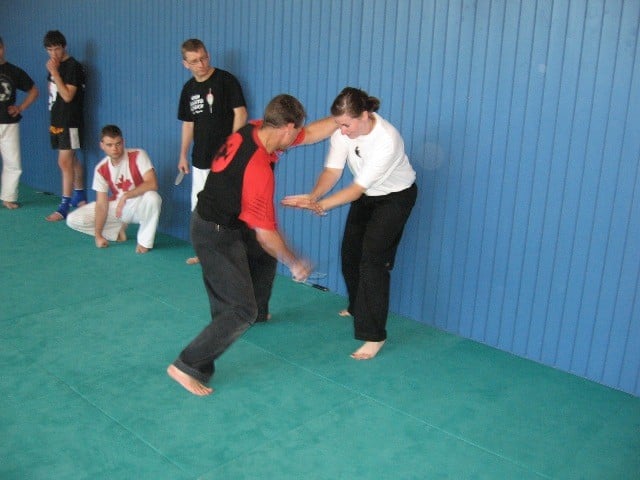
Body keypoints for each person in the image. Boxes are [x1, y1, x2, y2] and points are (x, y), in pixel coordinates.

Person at [167, 94, 336, 396]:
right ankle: (187, 365)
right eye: (297, 130)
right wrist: (295, 262)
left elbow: (311, 133)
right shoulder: (257, 169)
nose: (299, 135)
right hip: (214, 233)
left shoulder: (258, 128)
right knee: (239, 309)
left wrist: (341, 120)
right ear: (287, 128)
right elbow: (267, 234)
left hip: (228, 219)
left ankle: (258, 312)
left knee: (262, 258)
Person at [282, 87, 418, 360]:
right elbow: (332, 171)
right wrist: (314, 195)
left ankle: (374, 335)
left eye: (346, 124)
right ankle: (358, 306)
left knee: (372, 262)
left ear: (365, 115)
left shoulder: (386, 140)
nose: (342, 131)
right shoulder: (343, 132)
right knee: (350, 255)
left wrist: (320, 205)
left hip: (395, 198)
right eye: (339, 124)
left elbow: (355, 190)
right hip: (368, 195)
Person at [177, 38, 247, 265]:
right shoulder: (189, 89)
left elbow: (240, 114)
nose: (201, 64)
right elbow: (188, 124)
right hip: (200, 159)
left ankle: (229, 253)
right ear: (185, 64)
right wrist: (182, 154)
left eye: (204, 58)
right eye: (194, 61)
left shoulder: (226, 80)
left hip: (225, 159)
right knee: (199, 207)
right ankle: (203, 252)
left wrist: (232, 148)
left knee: (226, 205)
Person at [66, 125, 162, 254]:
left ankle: (144, 242)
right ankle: (116, 231)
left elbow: (152, 183)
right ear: (102, 145)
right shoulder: (101, 169)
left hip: (139, 204)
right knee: (73, 219)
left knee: (153, 197)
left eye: (118, 144)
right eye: (109, 145)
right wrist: (98, 235)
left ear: (123, 142)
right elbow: (101, 205)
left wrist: (127, 195)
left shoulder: (138, 155)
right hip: (118, 208)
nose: (114, 149)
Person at [43, 30, 87, 222]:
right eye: (50, 50)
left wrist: (55, 73)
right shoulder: (54, 65)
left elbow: (68, 96)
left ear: (64, 47)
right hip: (57, 120)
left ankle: (64, 206)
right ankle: (80, 195)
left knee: (64, 162)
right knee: (72, 160)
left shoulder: (73, 67)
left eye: (57, 49)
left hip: (70, 121)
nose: (54, 54)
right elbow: (53, 93)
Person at [0, 36, 39, 209]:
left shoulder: (14, 71)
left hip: (9, 123)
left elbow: (34, 91)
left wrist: (20, 107)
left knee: (13, 163)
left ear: (3, 48)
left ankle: (8, 197)